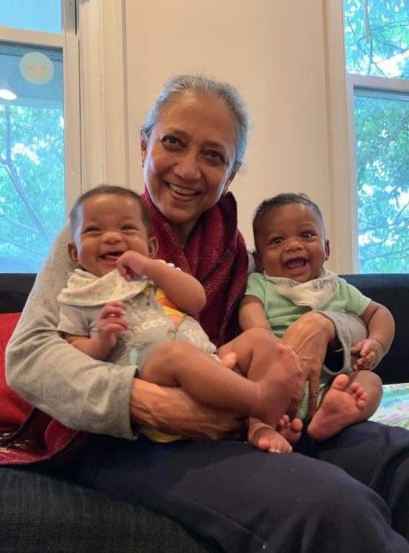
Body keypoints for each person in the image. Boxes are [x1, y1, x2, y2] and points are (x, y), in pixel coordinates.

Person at [5, 74, 409, 553]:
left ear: (233, 171)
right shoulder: (95, 238)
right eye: (174, 142)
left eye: (213, 155)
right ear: (144, 143)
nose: (188, 169)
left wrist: (323, 325)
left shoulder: (239, 255)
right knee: (332, 510)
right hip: (135, 440)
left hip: (247, 419)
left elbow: (334, 306)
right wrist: (141, 400)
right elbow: (28, 355)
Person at [58, 183, 301, 451]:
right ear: (74, 253)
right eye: (94, 230)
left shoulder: (155, 272)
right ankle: (259, 399)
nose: (112, 237)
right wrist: (101, 341)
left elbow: (196, 300)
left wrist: (151, 267)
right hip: (149, 373)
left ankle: (260, 426)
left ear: (151, 247)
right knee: (175, 354)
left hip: (209, 357)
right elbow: (73, 349)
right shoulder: (79, 294)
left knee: (258, 338)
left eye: (127, 228)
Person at [239, 192, 395, 442]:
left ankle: (333, 415)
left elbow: (379, 312)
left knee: (370, 382)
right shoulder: (263, 284)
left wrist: (377, 343)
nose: (293, 245)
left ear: (326, 248)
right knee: (254, 388)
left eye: (306, 234)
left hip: (332, 386)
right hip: (278, 380)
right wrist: (265, 337)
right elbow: (249, 307)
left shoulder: (336, 287)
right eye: (277, 240)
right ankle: (272, 426)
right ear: (259, 259)